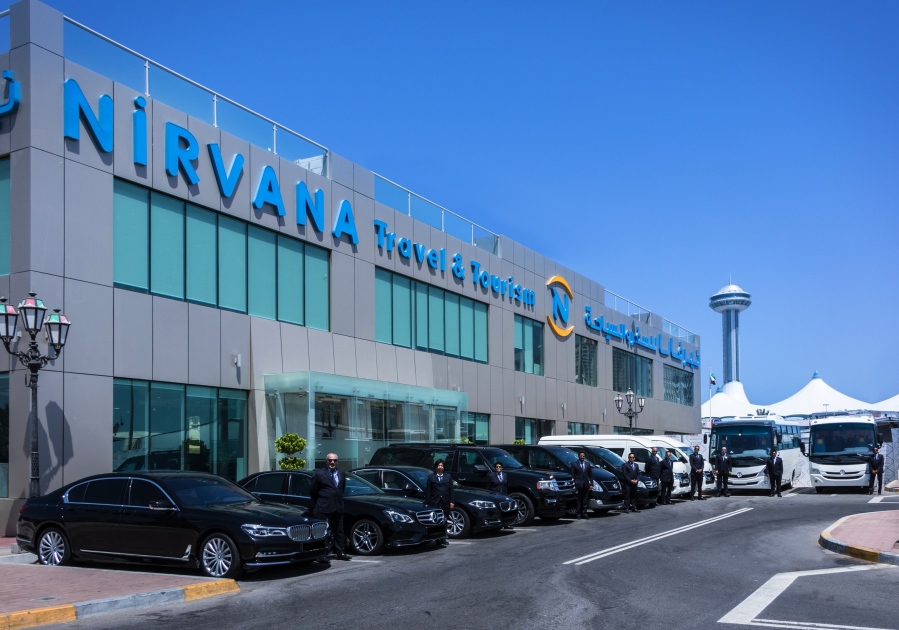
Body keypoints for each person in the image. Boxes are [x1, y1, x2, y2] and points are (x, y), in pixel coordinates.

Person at [310, 452, 351, 562]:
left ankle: (340, 552)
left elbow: (341, 489)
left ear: (337, 462)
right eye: (330, 460)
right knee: (324, 532)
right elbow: (313, 491)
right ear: (326, 461)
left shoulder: (341, 473)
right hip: (324, 507)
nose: (332, 462)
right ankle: (322, 554)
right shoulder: (319, 474)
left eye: (335, 460)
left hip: (338, 507)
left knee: (339, 530)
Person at [425, 459, 455, 546]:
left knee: (444, 519)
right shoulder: (431, 477)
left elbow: (451, 490)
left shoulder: (448, 476)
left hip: (445, 501)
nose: (440, 467)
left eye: (441, 465)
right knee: (437, 520)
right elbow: (429, 491)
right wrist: (428, 502)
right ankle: (437, 538)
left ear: (444, 467)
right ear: (436, 467)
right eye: (439, 465)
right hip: (435, 501)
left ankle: (443, 538)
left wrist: (452, 501)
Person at [487, 462, 514, 529]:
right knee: (497, 511)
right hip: (495, 496)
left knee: (506, 510)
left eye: (499, 467)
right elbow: (488, 487)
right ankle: (496, 524)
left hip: (504, 495)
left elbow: (506, 485)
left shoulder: (505, 475)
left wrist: (507, 495)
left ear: (502, 468)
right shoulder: (491, 476)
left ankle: (506, 524)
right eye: (497, 467)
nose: (498, 468)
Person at [570, 450, 594, 519]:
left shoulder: (587, 464)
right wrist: (573, 484)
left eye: (583, 456)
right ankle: (578, 513)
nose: (582, 457)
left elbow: (590, 475)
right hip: (578, 485)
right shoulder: (574, 464)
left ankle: (584, 513)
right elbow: (572, 475)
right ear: (578, 456)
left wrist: (591, 484)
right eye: (581, 456)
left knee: (585, 500)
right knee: (578, 500)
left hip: (586, 485)